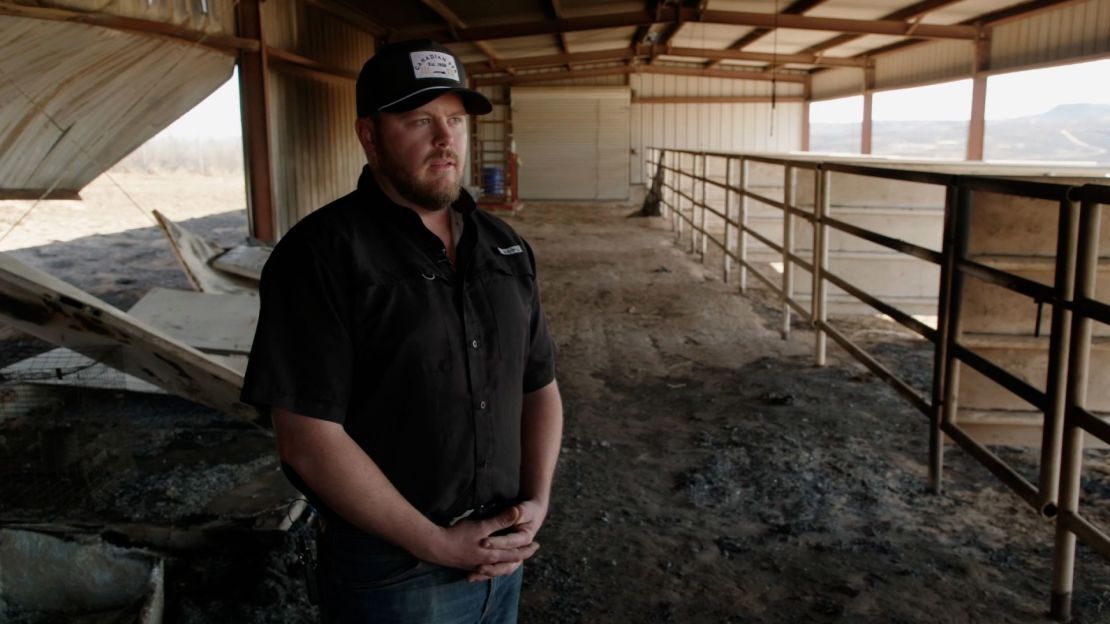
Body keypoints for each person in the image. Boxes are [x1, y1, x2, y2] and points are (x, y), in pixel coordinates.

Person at [241, 38, 563, 624]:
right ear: (370, 134)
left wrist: (536, 502)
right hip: (393, 575)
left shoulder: (504, 247)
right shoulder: (322, 255)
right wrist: (436, 543)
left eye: (456, 121)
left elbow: (538, 386)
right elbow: (308, 438)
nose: (446, 140)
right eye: (420, 120)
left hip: (506, 555)